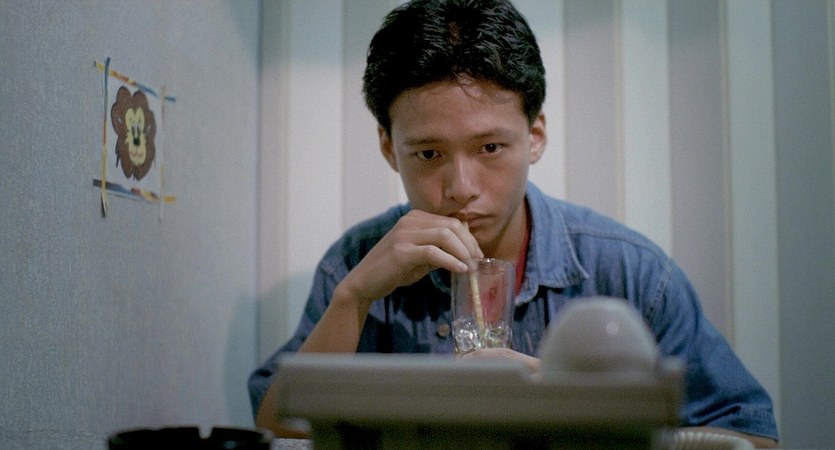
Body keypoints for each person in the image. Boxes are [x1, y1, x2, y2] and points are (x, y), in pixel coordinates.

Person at [248, 0, 779, 446]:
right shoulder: (357, 261)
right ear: (389, 148)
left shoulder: (628, 272)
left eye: (490, 148)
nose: (461, 186)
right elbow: (276, 429)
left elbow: (752, 436)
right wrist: (353, 298)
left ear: (536, 136)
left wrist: (568, 403)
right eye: (429, 153)